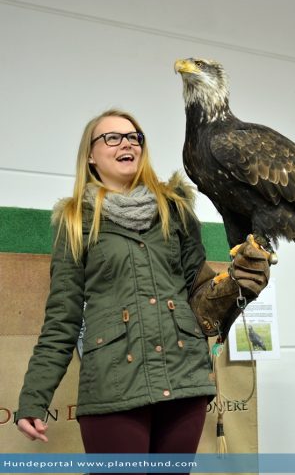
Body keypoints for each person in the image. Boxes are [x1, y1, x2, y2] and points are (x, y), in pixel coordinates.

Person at [16, 109, 270, 471]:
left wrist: (236, 283)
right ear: (90, 154)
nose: (127, 144)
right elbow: (62, 320)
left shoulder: (175, 210)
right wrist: (33, 400)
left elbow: (199, 290)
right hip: (114, 385)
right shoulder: (74, 222)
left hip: (183, 379)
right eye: (113, 137)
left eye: (134, 137)